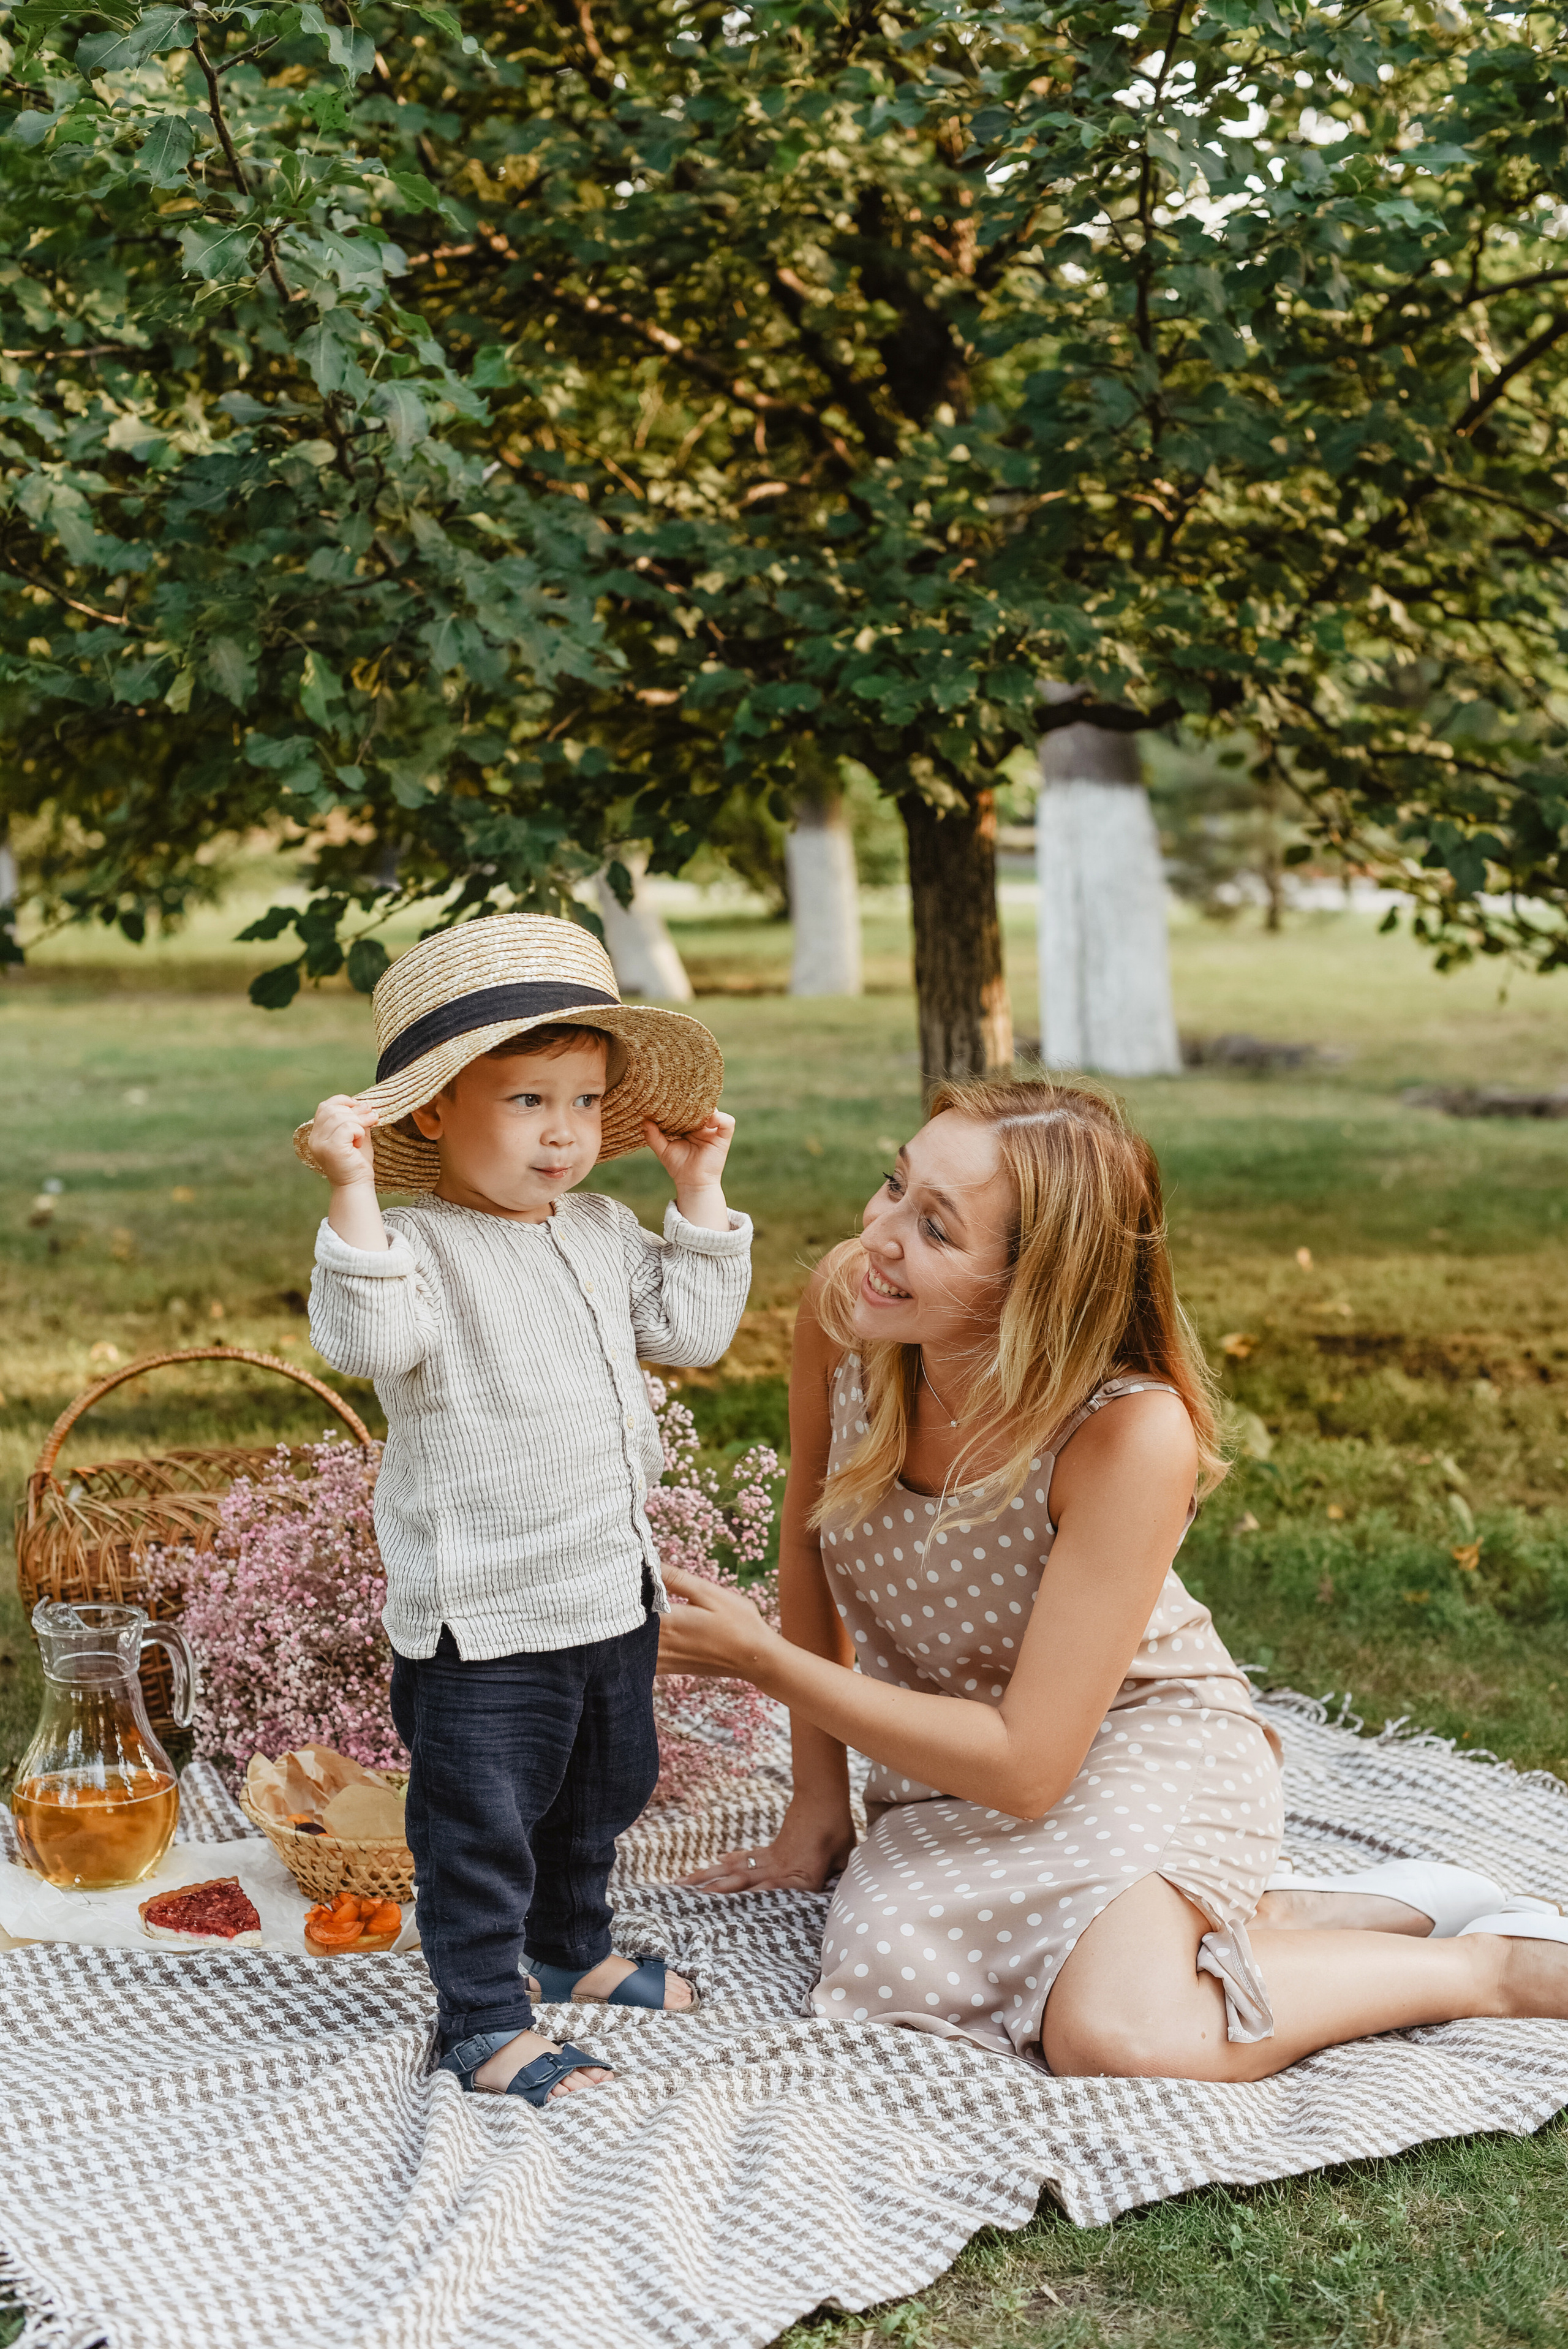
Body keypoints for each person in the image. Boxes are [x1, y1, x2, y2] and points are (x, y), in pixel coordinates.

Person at [658, 1076, 1568, 2079]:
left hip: (1137, 1737)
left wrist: (763, 1661)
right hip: (943, 1764)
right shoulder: (853, 1309)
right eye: (894, 1184)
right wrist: (817, 1807)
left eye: (935, 1228)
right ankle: (1306, 1912)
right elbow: (808, 1530)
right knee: (898, 1959)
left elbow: (1029, 1765)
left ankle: (1495, 1965)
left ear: (1033, 1281)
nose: (879, 1234)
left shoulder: (1128, 1430)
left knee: (1115, 2031)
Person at [301, 913, 752, 2106]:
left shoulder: (600, 1229)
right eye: (526, 1102)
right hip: (484, 1620)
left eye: (586, 1102)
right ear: (436, 1112)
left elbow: (692, 1331)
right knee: (481, 1830)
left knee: (601, 1794)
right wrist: (351, 1194)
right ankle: (483, 2021)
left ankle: (571, 1946)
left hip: (605, 1590)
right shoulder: (413, 1248)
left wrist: (697, 1194)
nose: (564, 1134)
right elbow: (367, 1338)